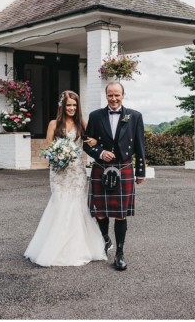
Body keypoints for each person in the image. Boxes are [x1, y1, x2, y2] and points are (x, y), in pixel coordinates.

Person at [24, 90, 107, 267]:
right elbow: (48, 146)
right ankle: (54, 246)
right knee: (60, 203)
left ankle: (77, 248)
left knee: (77, 205)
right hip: (59, 172)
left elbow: (91, 140)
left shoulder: (82, 123)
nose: (71, 108)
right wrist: (59, 153)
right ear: (62, 106)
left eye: (74, 105)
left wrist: (93, 142)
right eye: (69, 105)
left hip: (77, 172)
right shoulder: (54, 124)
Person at [83, 81, 146, 271]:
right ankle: (105, 240)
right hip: (101, 167)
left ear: (123, 95)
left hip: (124, 166)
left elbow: (140, 145)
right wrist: (100, 152)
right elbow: (87, 143)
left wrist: (140, 171)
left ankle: (119, 252)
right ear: (106, 95)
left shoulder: (134, 116)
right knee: (100, 211)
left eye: (117, 95)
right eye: (110, 95)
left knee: (120, 213)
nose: (114, 98)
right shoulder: (96, 116)